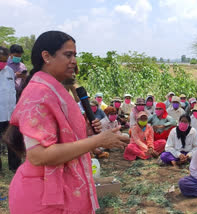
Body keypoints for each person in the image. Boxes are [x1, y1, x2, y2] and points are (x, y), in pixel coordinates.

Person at [4, 31, 129, 214]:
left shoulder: (53, 90)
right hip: (42, 199)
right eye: (68, 55)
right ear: (46, 56)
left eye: (75, 55)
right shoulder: (38, 94)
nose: (74, 61)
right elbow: (38, 155)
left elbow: (57, 137)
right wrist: (98, 141)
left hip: (59, 191)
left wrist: (84, 132)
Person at [0, 46, 19, 171]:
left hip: (10, 114)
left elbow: (12, 91)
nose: (2, 63)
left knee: (12, 141)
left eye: (5, 60)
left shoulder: (9, 71)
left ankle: (15, 167)